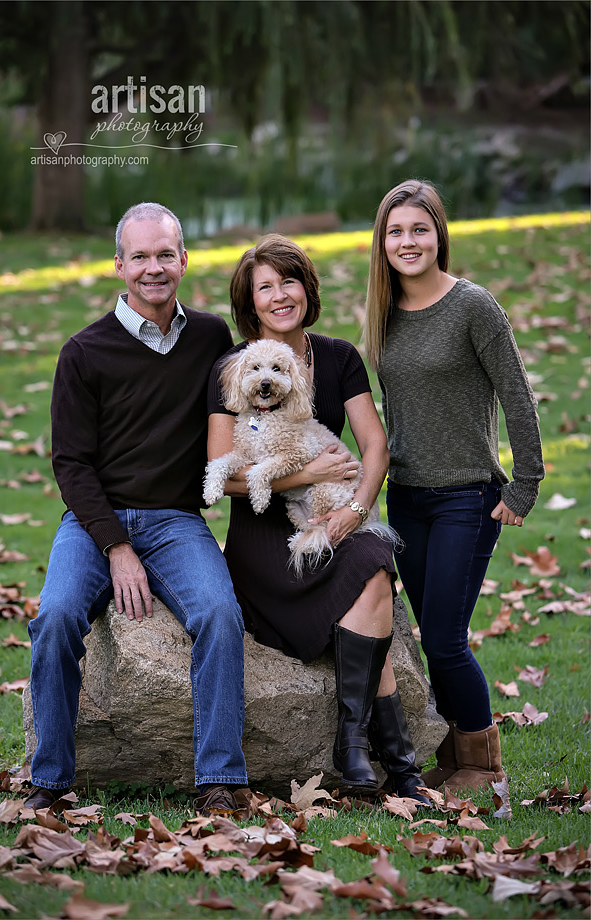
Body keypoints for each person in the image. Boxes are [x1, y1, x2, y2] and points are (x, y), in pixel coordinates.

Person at [25, 202, 249, 816]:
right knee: (57, 618)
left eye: (165, 255)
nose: (154, 268)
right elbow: (70, 464)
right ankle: (49, 780)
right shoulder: (83, 352)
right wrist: (115, 548)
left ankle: (220, 779)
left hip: (177, 522)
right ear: (119, 264)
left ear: (184, 259)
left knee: (219, 616)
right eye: (141, 257)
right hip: (96, 522)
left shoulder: (209, 338)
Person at [207, 233, 429, 804]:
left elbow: (374, 447)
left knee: (374, 561)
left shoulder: (337, 358)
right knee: (369, 583)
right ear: (249, 302)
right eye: (265, 287)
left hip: (333, 513)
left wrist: (355, 509)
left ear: (307, 288)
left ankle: (354, 746)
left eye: (290, 281)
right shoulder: (235, 369)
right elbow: (222, 475)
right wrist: (302, 476)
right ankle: (397, 763)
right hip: (261, 540)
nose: (280, 295)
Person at [365, 180, 545, 791]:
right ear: (382, 243)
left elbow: (518, 398)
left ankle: (482, 770)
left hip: (467, 497)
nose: (408, 241)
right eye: (396, 231)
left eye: (419, 229)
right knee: (430, 631)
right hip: (407, 497)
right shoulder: (383, 313)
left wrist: (524, 486)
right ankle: (453, 759)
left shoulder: (474, 306)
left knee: (443, 640)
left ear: (439, 233)